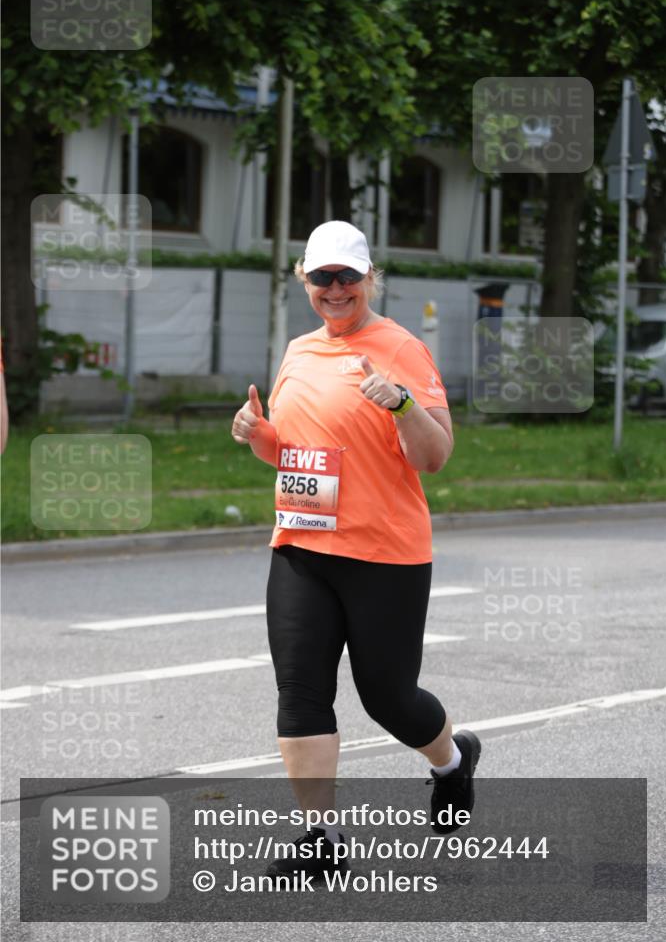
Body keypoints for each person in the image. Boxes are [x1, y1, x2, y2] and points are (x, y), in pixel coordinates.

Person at [232, 220, 481, 877]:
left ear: (370, 278)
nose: (336, 288)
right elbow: (292, 453)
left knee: (388, 699)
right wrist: (257, 433)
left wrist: (401, 404)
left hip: (385, 555)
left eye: (348, 276)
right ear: (305, 281)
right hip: (301, 545)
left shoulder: (400, 348)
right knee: (300, 692)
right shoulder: (297, 352)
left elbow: (434, 457)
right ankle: (321, 838)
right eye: (323, 277)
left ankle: (451, 762)